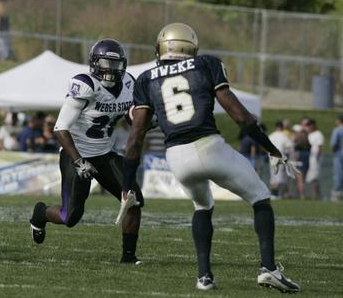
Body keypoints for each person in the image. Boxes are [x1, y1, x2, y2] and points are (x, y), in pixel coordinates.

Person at [120, 23, 300, 292]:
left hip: (177, 157)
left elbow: (136, 136)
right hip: (209, 146)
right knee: (261, 197)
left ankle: (204, 277)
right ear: (191, 46)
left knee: (202, 206)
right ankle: (269, 269)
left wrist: (126, 184)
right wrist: (271, 149)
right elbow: (241, 117)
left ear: (160, 48)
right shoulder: (206, 64)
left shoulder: (146, 78)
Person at [29, 39, 144, 264]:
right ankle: (40, 213)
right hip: (77, 153)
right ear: (94, 63)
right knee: (70, 216)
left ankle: (128, 257)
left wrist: (145, 121)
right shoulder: (86, 85)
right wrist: (79, 161)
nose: (111, 70)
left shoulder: (129, 83)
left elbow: (131, 117)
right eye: (105, 63)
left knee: (134, 200)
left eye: (115, 64)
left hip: (105, 153)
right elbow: (60, 129)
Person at [268, 121, 294, 198]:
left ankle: (274, 194)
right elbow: (290, 147)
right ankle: (277, 194)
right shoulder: (284, 136)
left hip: (271, 158)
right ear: (282, 127)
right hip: (280, 158)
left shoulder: (270, 136)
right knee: (279, 177)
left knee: (273, 176)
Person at [304, 119, 324, 199]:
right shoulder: (310, 134)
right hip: (310, 158)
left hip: (316, 159)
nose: (308, 127)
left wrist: (317, 158)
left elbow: (320, 147)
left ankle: (315, 195)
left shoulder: (318, 134)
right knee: (312, 177)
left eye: (309, 125)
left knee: (314, 177)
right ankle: (317, 195)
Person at [292, 123, 310, 199]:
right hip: (306, 156)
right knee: (303, 178)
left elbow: (293, 145)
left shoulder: (298, 137)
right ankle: (301, 194)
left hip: (299, 156)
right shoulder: (306, 138)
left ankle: (302, 195)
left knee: (300, 178)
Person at [330, 115, 343, 201]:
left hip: (339, 154)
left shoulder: (337, 130)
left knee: (338, 174)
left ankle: (336, 192)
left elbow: (333, 143)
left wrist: (334, 150)